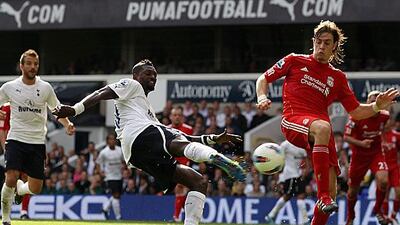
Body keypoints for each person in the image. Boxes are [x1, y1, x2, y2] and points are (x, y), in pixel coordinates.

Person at [53, 59, 246, 225]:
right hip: (138, 135)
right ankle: (217, 158)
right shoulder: (131, 85)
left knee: (198, 181)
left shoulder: (146, 111)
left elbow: (176, 134)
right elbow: (102, 92)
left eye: (155, 74)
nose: (153, 76)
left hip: (137, 154)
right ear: (136, 76)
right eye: (148, 73)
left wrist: (212, 138)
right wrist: (75, 109)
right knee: (176, 141)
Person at [255, 20, 400, 225]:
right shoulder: (294, 60)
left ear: (334, 47)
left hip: (321, 133)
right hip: (294, 120)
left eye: (327, 43)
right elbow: (263, 79)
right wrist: (262, 97)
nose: (321, 46)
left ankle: (322, 204)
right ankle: (322, 196)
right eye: (319, 41)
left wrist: (376, 106)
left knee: (332, 196)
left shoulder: (338, 77)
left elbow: (357, 111)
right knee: (324, 129)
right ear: (313, 41)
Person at [0, 49, 76, 225]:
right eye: (29, 63)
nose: (33, 67)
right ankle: (5, 218)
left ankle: (21, 189)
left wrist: (67, 124)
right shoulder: (9, 87)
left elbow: (57, 110)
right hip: (15, 139)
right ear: (21, 66)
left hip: (36, 143)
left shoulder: (45, 88)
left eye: (35, 64)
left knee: (35, 188)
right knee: (10, 177)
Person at [344, 91, 390, 225]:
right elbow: (346, 137)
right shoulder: (356, 116)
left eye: (378, 98)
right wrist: (361, 143)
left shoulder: (384, 116)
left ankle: (377, 210)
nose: (375, 100)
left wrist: (384, 141)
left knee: (383, 181)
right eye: (372, 98)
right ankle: (351, 216)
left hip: (376, 154)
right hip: (359, 157)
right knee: (352, 192)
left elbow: (382, 130)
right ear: (367, 102)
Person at [264, 140, 309, 225]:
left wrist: (306, 170)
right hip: (290, 175)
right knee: (287, 196)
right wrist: (277, 176)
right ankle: (271, 215)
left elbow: (306, 160)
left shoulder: (302, 145)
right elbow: (278, 159)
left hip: (299, 175)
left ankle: (305, 221)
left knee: (300, 196)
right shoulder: (285, 145)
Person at [168, 106, 193, 222]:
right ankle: (181, 214)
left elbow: (192, 147)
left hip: (184, 163)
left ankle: (176, 217)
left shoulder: (188, 129)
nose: (177, 117)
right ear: (170, 117)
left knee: (180, 188)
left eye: (179, 115)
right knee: (181, 191)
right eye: (175, 115)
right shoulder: (166, 129)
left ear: (182, 117)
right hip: (170, 163)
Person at [96, 133, 124, 220]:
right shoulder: (104, 152)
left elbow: (124, 161)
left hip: (119, 175)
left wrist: (127, 169)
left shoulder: (120, 150)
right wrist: (100, 172)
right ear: (107, 141)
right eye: (110, 139)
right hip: (110, 177)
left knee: (117, 196)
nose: (112, 141)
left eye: (113, 139)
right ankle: (118, 217)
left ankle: (105, 208)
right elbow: (98, 163)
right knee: (116, 195)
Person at [381, 113, 400, 223]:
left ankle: (393, 216)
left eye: (389, 120)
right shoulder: (378, 136)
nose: (387, 123)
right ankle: (386, 217)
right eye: (385, 121)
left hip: (394, 168)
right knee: (385, 195)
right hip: (383, 169)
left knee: (399, 192)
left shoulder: (396, 136)